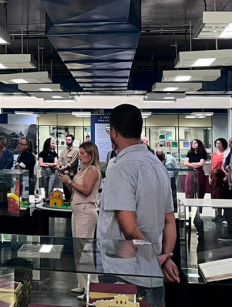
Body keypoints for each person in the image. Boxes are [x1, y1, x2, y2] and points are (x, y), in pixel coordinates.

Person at [97, 104, 179, 283]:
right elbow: (169, 220)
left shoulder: (120, 167)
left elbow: (130, 229)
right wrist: (166, 256)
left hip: (125, 268)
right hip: (154, 264)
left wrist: (153, 259)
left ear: (114, 132)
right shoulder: (158, 165)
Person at [60, 141, 102, 293]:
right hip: (78, 211)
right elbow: (76, 190)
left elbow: (86, 190)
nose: (80, 156)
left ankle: (92, 285)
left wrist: (70, 181)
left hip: (85, 212)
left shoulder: (92, 170)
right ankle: (83, 284)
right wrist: (67, 181)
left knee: (85, 250)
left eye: (83, 154)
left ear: (90, 155)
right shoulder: (82, 169)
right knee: (78, 249)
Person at [57, 134, 80, 203]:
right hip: (64, 174)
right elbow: (60, 160)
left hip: (71, 174)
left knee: (72, 191)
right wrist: (62, 167)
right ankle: (66, 202)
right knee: (65, 191)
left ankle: (72, 203)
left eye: (69, 140)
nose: (67, 141)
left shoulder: (76, 151)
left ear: (72, 141)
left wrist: (65, 168)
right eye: (66, 140)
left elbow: (73, 162)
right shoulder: (63, 150)